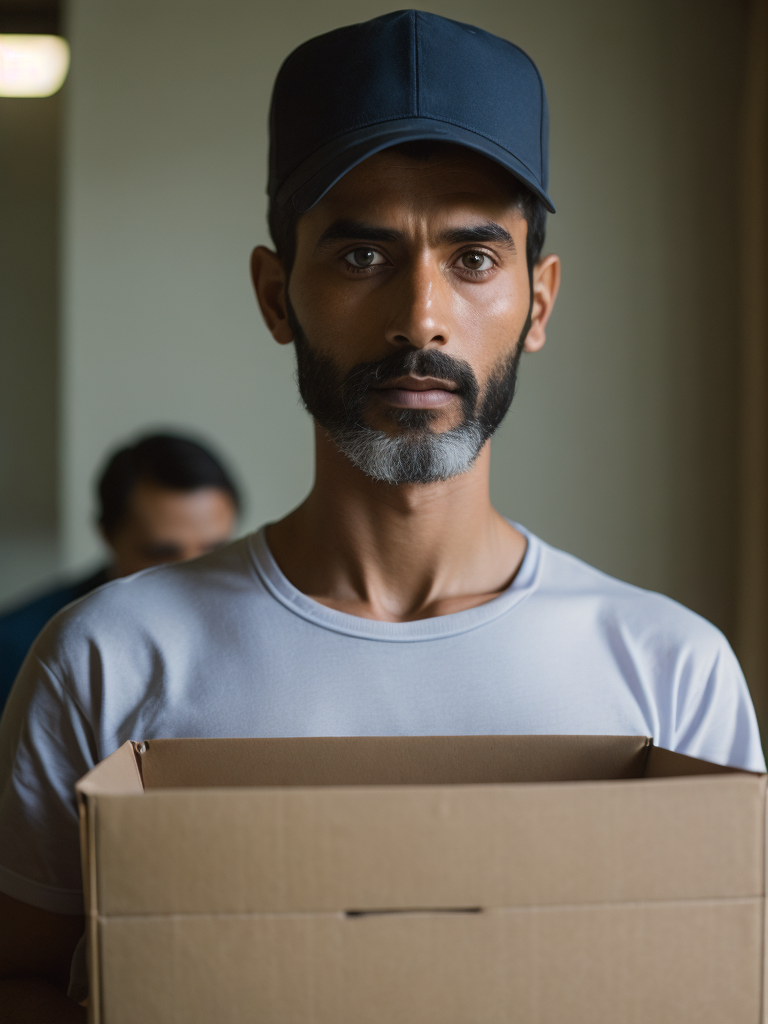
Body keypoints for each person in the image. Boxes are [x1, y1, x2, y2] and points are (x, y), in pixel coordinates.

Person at [0, 11, 763, 1020]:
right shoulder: (111, 656)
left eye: (474, 258)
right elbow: (20, 979)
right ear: (278, 297)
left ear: (539, 301)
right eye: (362, 256)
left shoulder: (670, 671)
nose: (421, 317)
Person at [0, 432, 240, 712]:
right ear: (108, 536)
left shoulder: (257, 628)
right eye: (162, 554)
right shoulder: (18, 647)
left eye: (215, 551)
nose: (193, 573)